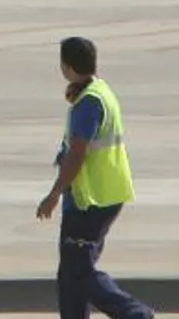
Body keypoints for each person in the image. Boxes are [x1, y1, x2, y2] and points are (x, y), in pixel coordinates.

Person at [36, 37, 155, 319]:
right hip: (102, 194)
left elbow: (77, 154)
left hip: (91, 200)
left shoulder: (88, 103)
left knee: (78, 270)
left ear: (66, 66)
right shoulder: (101, 91)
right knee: (70, 273)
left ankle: (135, 313)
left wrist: (54, 194)